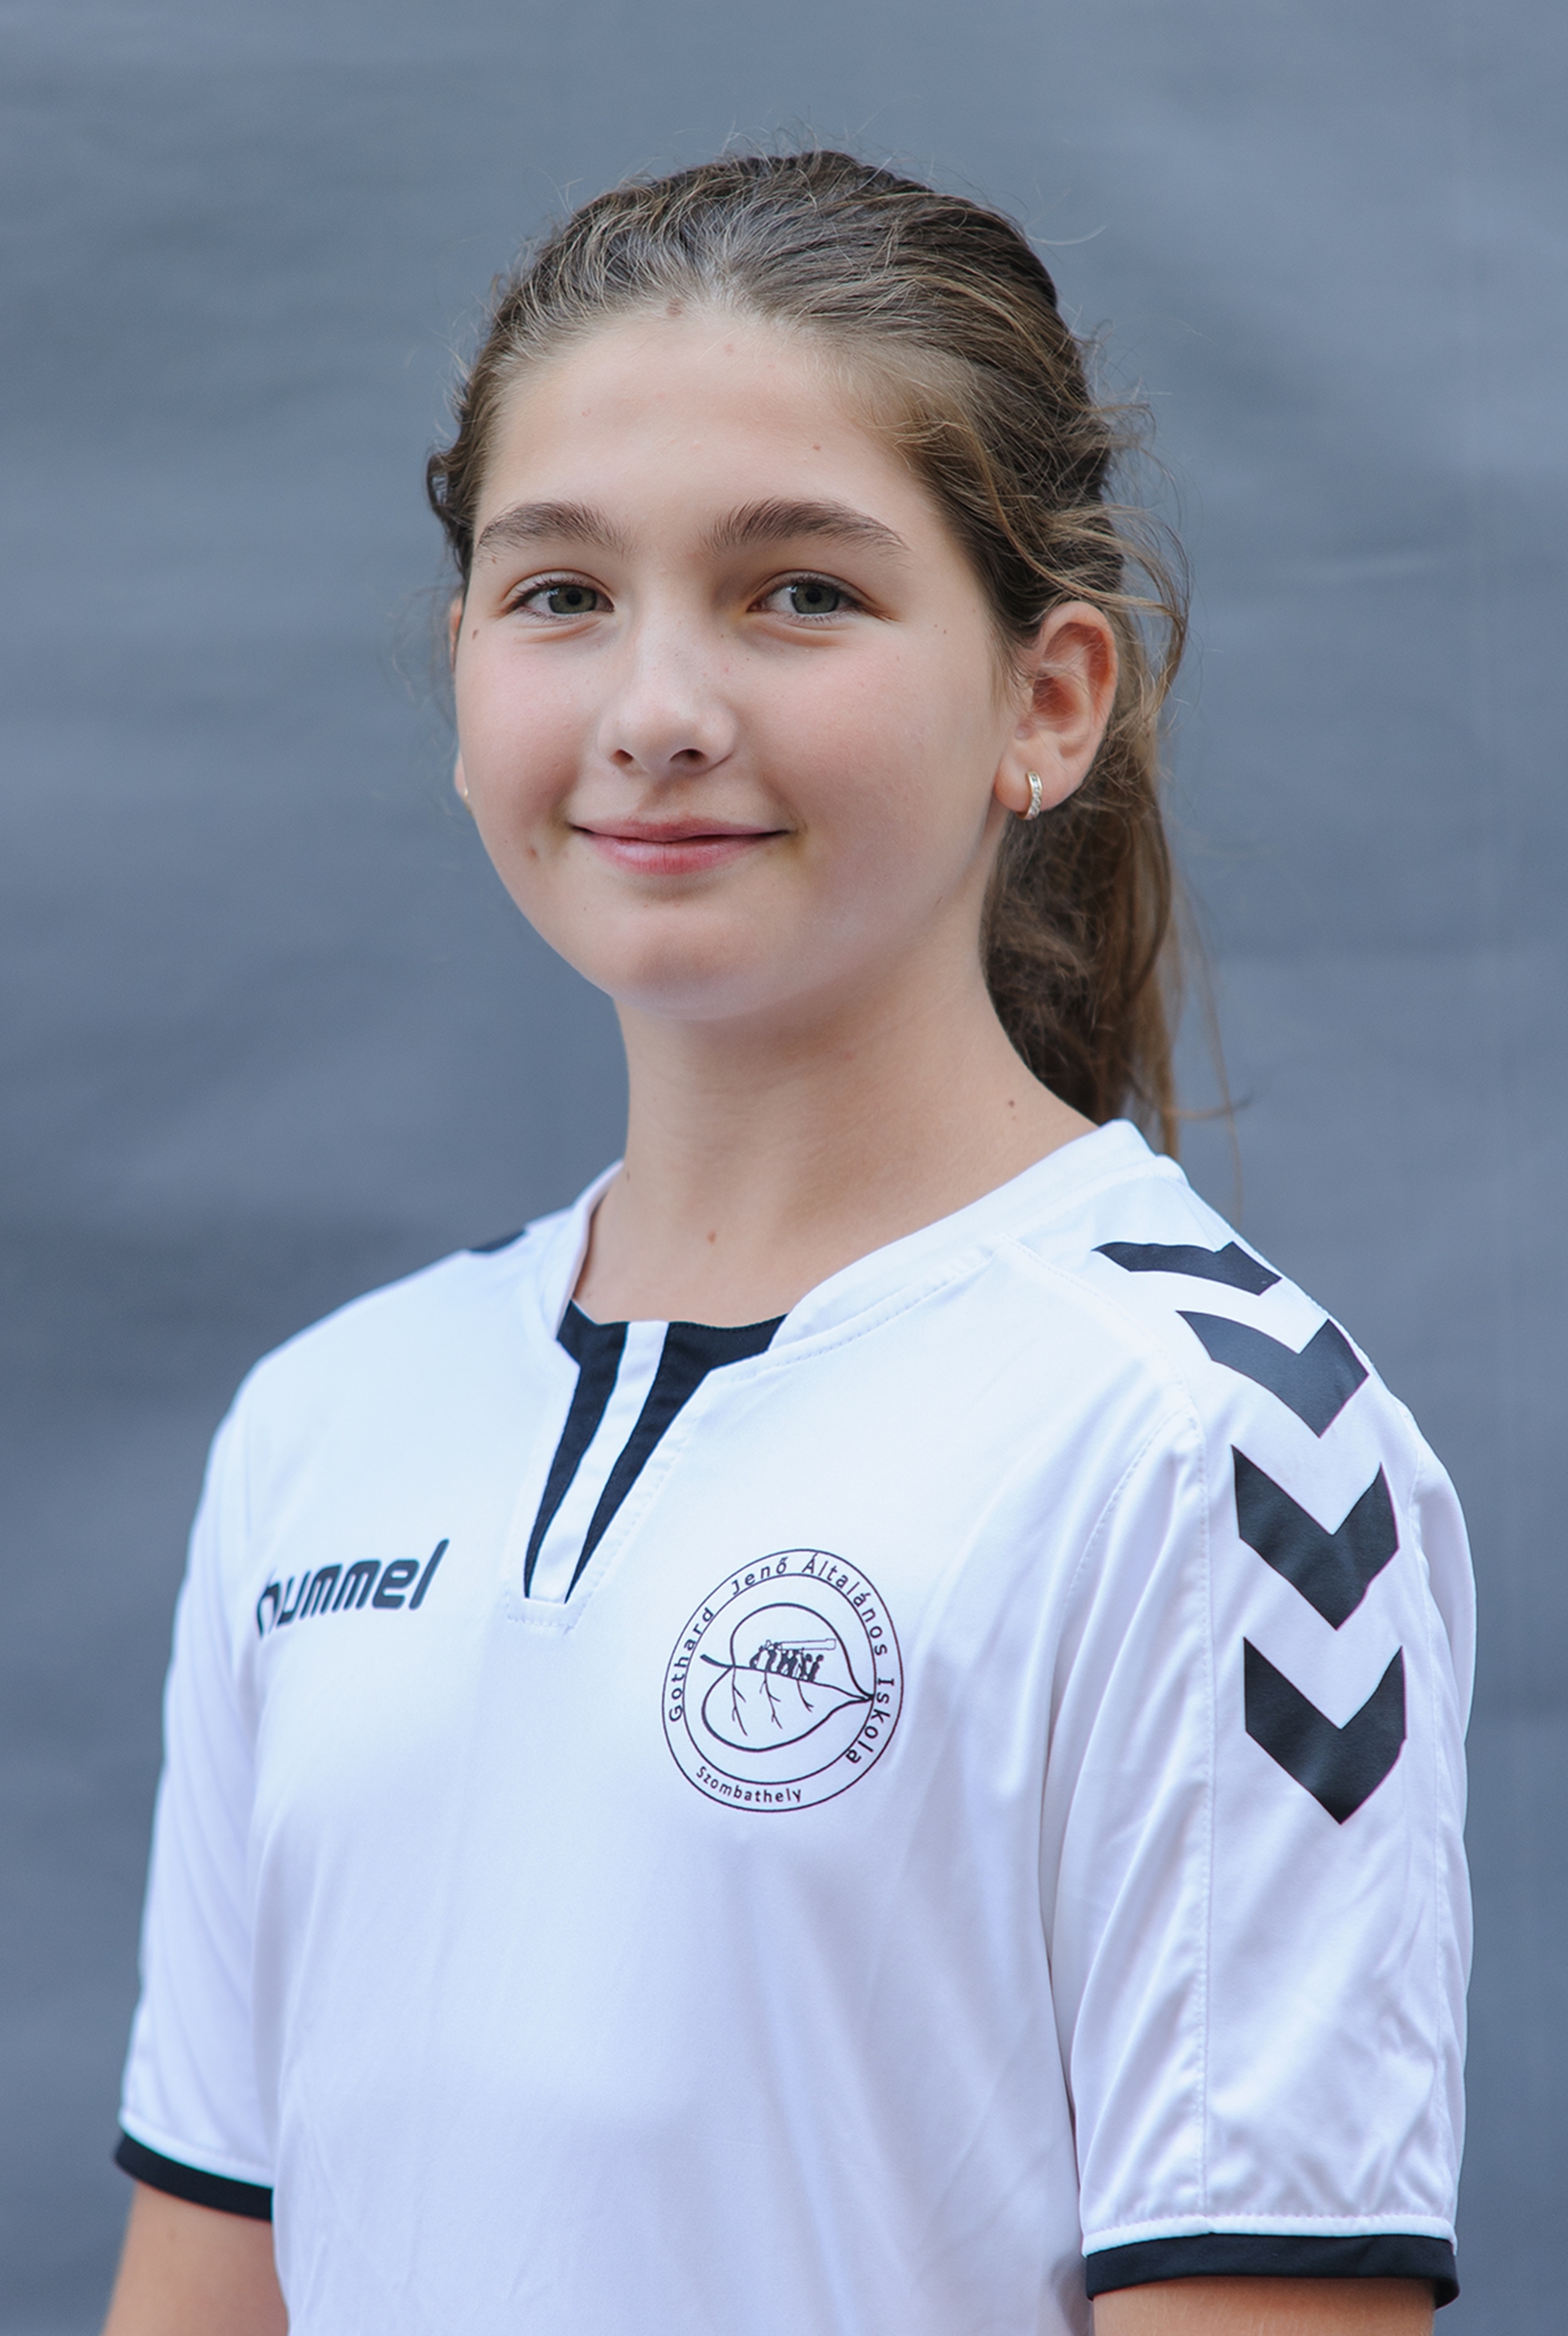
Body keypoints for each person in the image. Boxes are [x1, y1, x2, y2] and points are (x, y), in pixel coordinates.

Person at [102, 152, 1470, 2336]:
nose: (656, 707)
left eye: (800, 593)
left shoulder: (1207, 1449)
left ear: (1048, 702)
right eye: (562, 595)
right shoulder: (328, 1426)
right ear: (464, 676)